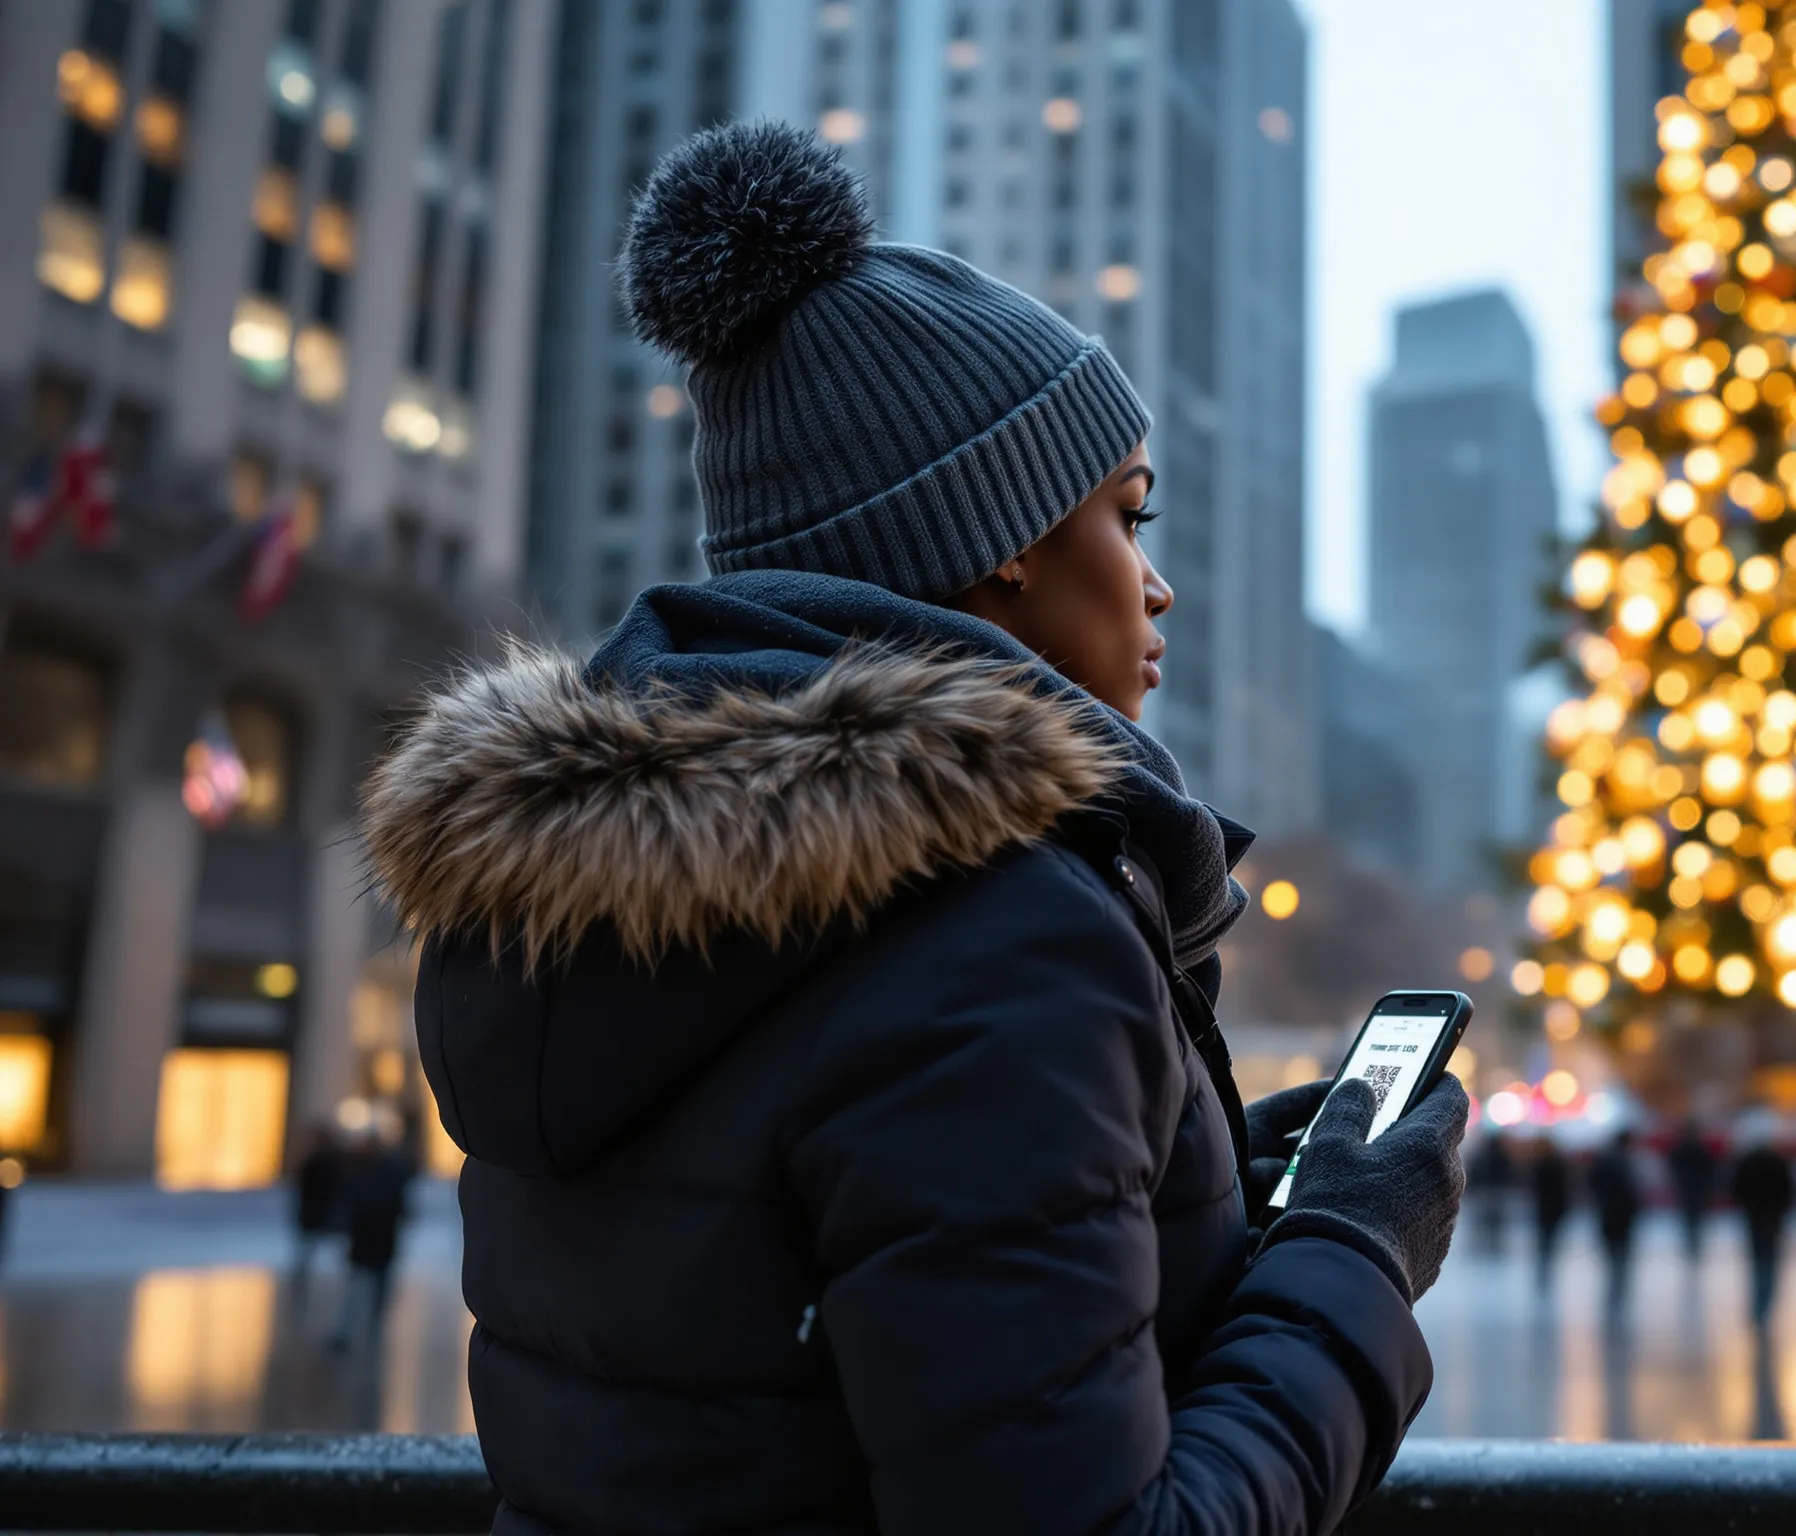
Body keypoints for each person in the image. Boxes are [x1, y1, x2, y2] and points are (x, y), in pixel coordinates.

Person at [362, 122, 1465, 1534]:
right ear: (997, 542)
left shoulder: (593, 915)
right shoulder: (1001, 937)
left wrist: (1188, 1184)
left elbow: (780, 1315)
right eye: (1129, 517)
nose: (1158, 584)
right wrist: (1353, 1251)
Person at [328, 1120, 417, 1356]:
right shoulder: (363, 1172)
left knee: (372, 1290)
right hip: (368, 1240)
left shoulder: (379, 1173)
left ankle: (370, 1334)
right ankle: (354, 1333)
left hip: (378, 1240)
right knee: (358, 1289)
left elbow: (396, 1205)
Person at [1730, 1134, 1796, 1326]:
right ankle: (1764, 1304)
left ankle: (1759, 1305)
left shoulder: (1747, 1162)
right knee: (1769, 1263)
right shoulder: (1778, 1163)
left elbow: (1736, 1188)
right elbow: (1788, 1191)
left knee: (1758, 1263)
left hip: (1754, 1219)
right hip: (1772, 1220)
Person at [288, 1122, 350, 1290]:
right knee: (310, 1253)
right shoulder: (329, 1162)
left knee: (314, 1253)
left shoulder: (322, 1161)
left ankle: (303, 1284)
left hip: (321, 1213)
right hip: (319, 1213)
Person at [1589, 1130, 1642, 1316]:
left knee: (1615, 1254)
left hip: (1610, 1215)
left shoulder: (1609, 1160)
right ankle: (1618, 1289)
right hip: (1618, 1215)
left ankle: (1617, 1289)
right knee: (1619, 1255)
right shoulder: (1621, 1163)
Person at [1665, 1119, 1719, 1262]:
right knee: (1696, 1220)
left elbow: (1672, 1167)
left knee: (1688, 1220)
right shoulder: (1701, 1150)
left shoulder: (1679, 1149)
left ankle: (1690, 1246)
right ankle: (1694, 1246)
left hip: (1686, 1190)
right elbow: (1710, 1170)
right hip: (1698, 1191)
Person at [1530, 1138, 1575, 1293]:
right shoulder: (1556, 1164)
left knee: (1544, 1242)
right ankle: (1545, 1273)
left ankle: (1543, 1273)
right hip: (1553, 1209)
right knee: (1549, 1241)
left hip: (1544, 1209)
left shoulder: (1540, 1165)